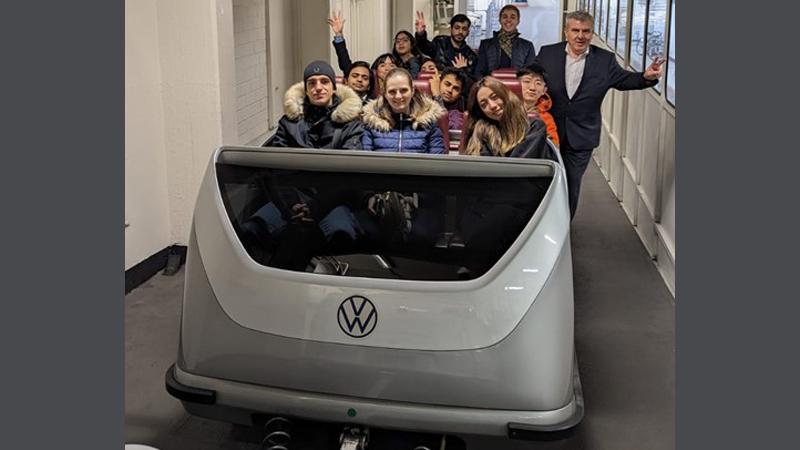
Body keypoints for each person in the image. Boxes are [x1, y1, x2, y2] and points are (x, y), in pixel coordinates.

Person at [534, 10, 665, 218]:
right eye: (575, 30)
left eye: (586, 31)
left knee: (570, 184)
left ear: (592, 33)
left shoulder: (605, 60)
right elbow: (529, 78)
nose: (580, 36)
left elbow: (624, 80)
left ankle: (564, 227)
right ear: (566, 31)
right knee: (544, 182)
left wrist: (646, 77)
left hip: (581, 137)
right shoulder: (547, 54)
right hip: (547, 133)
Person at [263, 60, 363, 149]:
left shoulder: (351, 125)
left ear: (334, 88)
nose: (318, 87)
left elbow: (350, 165)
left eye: (324, 82)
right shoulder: (288, 124)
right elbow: (278, 163)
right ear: (306, 91)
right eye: (312, 83)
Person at [458, 76, 554, 161]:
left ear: (505, 95)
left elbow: (520, 168)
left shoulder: (534, 127)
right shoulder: (483, 132)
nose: (492, 106)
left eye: (494, 97)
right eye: (484, 105)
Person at [361, 68, 446, 154]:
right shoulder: (371, 122)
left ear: (412, 91)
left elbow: (436, 162)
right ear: (385, 94)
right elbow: (364, 161)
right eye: (392, 92)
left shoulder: (429, 122)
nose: (398, 96)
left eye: (404, 90)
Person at [474, 4, 536, 77]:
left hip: (519, 86)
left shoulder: (527, 46)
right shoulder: (486, 44)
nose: (508, 20)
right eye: (504, 17)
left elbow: (530, 74)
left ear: (518, 21)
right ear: (499, 20)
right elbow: (479, 73)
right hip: (491, 86)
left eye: (512, 17)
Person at [414, 11, 478, 76]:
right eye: (457, 28)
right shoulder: (439, 42)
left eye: (464, 29)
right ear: (451, 29)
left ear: (468, 32)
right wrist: (420, 33)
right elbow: (424, 47)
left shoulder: (471, 56)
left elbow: (472, 79)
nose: (460, 32)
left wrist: (463, 70)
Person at [517, 65, 559, 146]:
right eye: (527, 81)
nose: (532, 88)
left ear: (544, 90)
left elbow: (554, 146)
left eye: (538, 83)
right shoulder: (503, 111)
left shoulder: (547, 119)